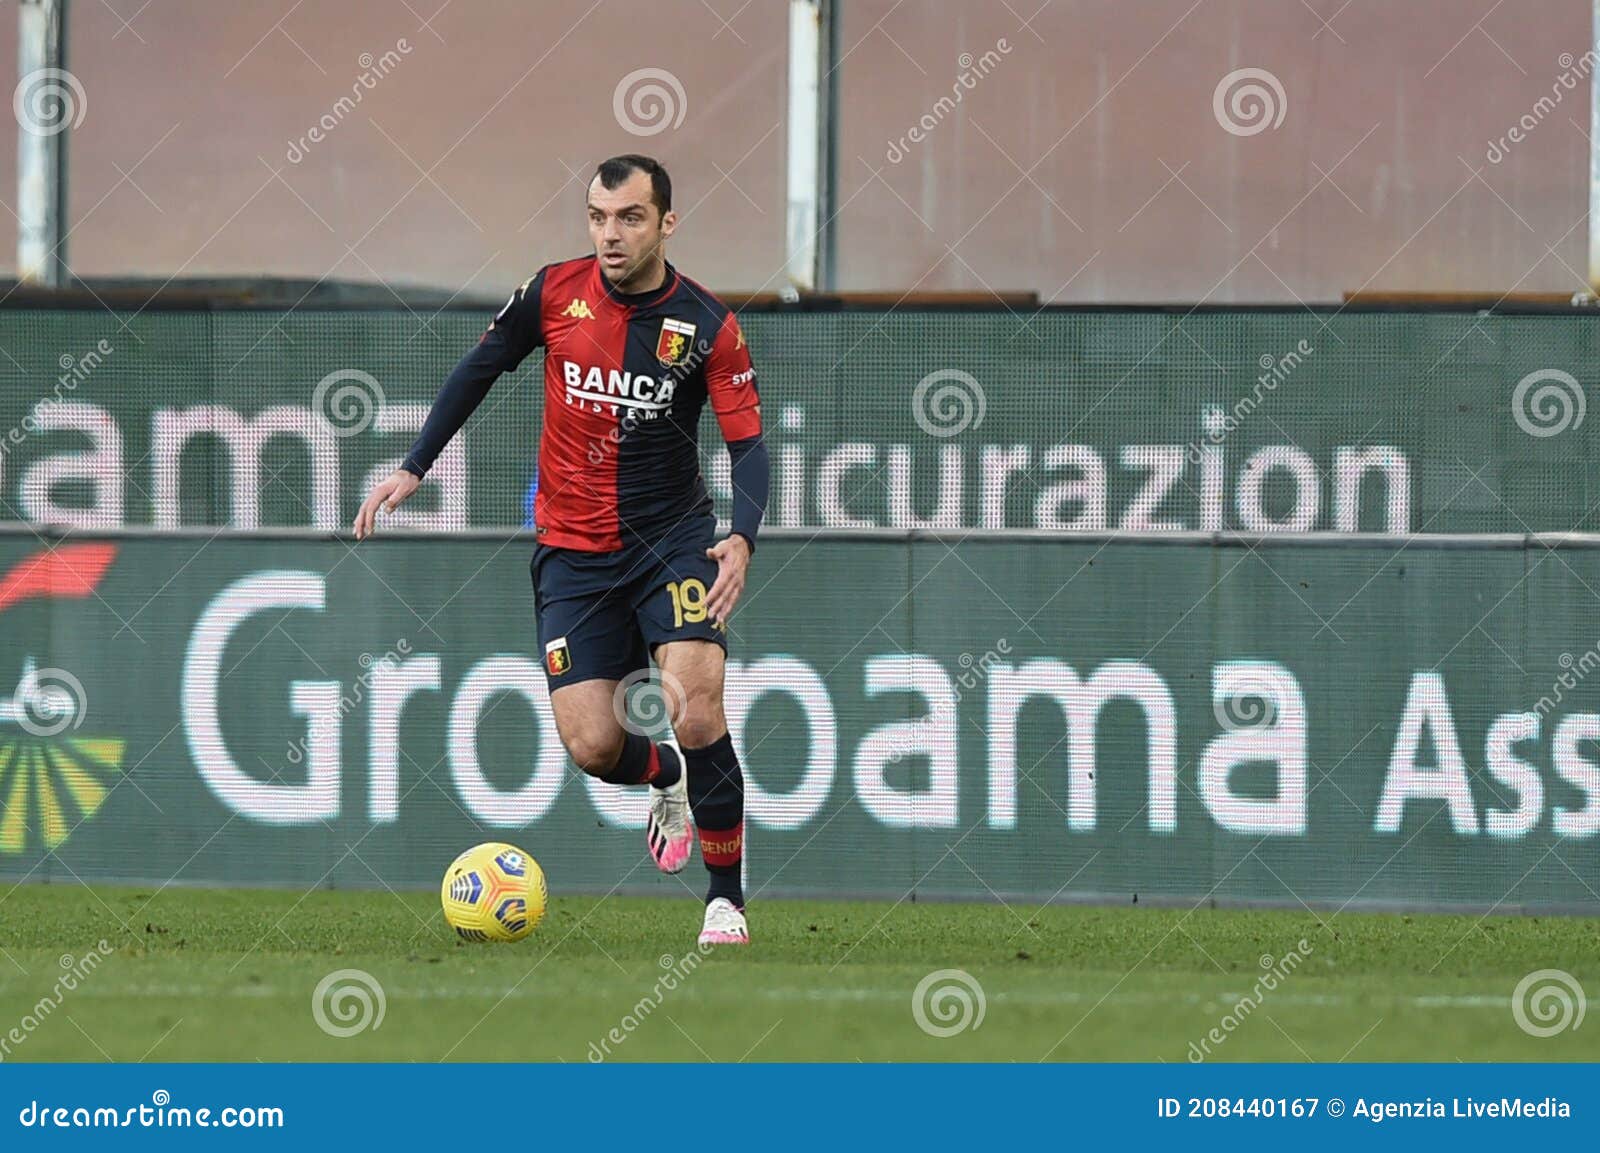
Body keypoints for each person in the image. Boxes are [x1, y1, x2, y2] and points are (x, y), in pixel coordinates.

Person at [353, 154, 768, 946]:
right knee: (593, 743)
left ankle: (726, 901)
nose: (612, 234)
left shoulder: (708, 324)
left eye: (631, 218)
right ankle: (664, 776)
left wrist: (742, 536)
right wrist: (414, 466)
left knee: (698, 705)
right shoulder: (553, 292)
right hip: (572, 551)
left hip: (671, 543)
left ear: (666, 223)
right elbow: (479, 368)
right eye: (599, 217)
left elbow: (749, 447)